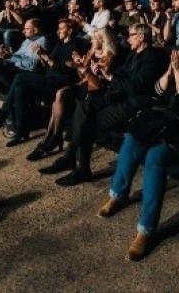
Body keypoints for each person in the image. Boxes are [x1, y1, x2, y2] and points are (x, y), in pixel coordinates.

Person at [95, 35, 179, 261]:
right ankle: (118, 194)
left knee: (155, 158)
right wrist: (170, 73)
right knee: (132, 138)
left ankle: (146, 230)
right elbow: (156, 91)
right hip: (165, 122)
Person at [39, 23, 165, 186]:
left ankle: (75, 163)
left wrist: (111, 76)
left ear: (141, 37)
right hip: (118, 97)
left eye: (131, 35)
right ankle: (72, 160)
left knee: (87, 120)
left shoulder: (152, 57)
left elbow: (136, 87)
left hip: (133, 105)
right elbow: (120, 75)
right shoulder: (134, 54)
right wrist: (103, 72)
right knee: (85, 106)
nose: (128, 39)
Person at [25, 27, 119, 160]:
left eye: (94, 38)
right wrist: (78, 64)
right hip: (85, 85)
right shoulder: (91, 52)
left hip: (98, 90)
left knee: (61, 95)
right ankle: (52, 137)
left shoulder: (108, 56)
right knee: (58, 97)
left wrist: (81, 68)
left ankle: (52, 139)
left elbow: (99, 83)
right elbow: (82, 76)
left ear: (102, 40)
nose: (92, 40)